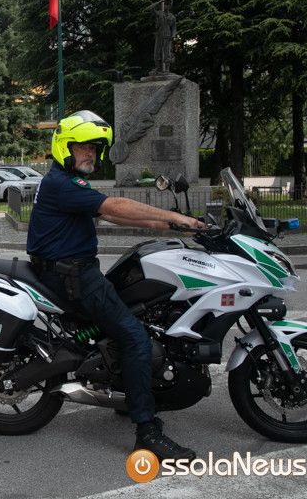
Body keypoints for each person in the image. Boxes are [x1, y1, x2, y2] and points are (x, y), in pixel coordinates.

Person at [26, 110, 205, 462]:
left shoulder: (65, 182)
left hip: (72, 272)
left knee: (139, 314)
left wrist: (172, 227)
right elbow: (114, 205)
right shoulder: (63, 184)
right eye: (83, 147)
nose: (90, 153)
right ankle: (147, 432)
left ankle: (126, 388)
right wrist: (175, 216)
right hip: (72, 277)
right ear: (65, 147)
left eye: (94, 148)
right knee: (135, 337)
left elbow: (111, 214)